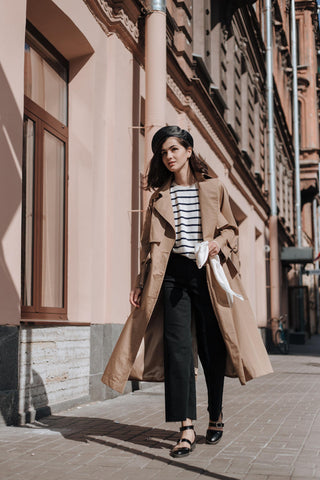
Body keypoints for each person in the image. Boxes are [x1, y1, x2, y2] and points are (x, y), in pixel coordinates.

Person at [102, 125, 273, 458]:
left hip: (207, 273)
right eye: (163, 152)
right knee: (177, 351)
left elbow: (230, 230)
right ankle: (185, 427)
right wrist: (139, 284)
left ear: (189, 150)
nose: (168, 156)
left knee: (212, 348)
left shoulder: (213, 189)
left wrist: (217, 244)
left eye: (174, 149)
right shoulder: (158, 197)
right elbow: (146, 247)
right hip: (170, 276)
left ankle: (216, 414)